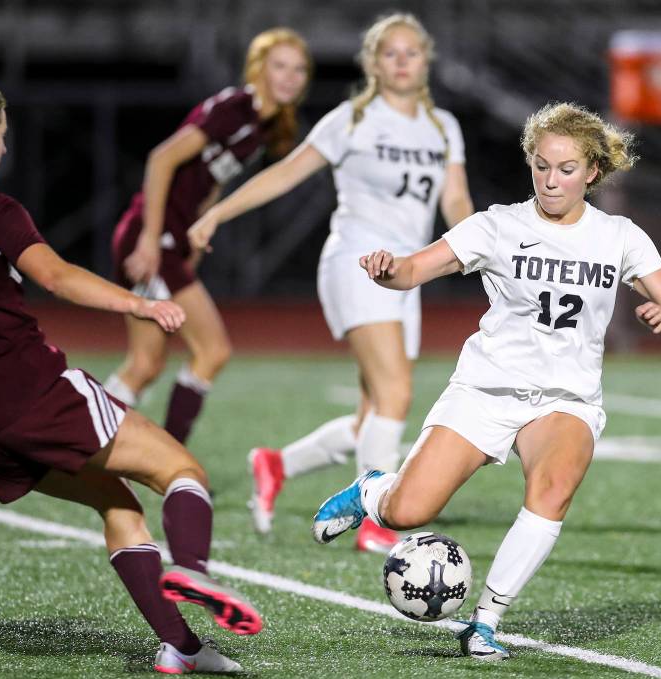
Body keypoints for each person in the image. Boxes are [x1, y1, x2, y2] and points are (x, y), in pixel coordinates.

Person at [0, 81, 263, 675]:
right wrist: (140, 304)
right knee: (182, 472)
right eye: (2, 138)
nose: (4, 150)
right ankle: (193, 571)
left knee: (117, 503)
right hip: (33, 394)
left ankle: (183, 649)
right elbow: (59, 277)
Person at [311, 101, 661, 660]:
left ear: (592, 172)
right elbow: (415, 268)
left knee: (554, 488)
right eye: (541, 166)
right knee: (406, 513)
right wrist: (388, 269)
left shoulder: (619, 236)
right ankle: (371, 490)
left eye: (566, 169)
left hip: (565, 398)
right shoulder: (498, 225)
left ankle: (486, 620)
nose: (551, 180)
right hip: (486, 390)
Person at [188, 13, 474, 553]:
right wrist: (218, 214)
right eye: (390, 53)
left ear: (426, 61)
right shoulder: (350, 120)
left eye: (412, 52)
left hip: (407, 273)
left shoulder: (443, 126)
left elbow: (455, 199)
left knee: (374, 414)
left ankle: (276, 465)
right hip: (357, 261)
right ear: (373, 63)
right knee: (395, 394)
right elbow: (285, 172)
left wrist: (474, 248)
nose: (402, 62)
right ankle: (376, 522)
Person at [103, 29, 311, 448]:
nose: (290, 77)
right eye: (280, 66)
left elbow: (211, 183)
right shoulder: (235, 108)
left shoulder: (264, 125)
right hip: (152, 237)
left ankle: (85, 447)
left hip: (168, 240)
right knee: (212, 351)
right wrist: (150, 238)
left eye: (299, 69)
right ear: (259, 68)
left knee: (145, 364)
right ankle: (166, 455)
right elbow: (161, 159)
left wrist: (196, 235)